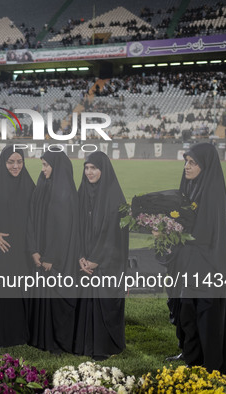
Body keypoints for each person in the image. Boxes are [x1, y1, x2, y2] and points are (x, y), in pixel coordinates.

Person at [163, 142, 226, 376]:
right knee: (187, 314)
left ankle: (211, 365)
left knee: (206, 318)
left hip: (206, 266)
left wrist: (169, 229)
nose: (187, 166)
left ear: (204, 165)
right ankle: (192, 357)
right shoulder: (191, 186)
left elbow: (203, 233)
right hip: (188, 262)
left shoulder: (212, 190)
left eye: (192, 162)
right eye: (186, 161)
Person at [73, 151, 128, 360]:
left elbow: (115, 235)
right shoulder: (83, 193)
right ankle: (85, 342)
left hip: (107, 263)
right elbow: (76, 228)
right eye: (86, 168)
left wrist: (96, 259)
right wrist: (81, 256)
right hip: (85, 260)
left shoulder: (114, 196)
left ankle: (105, 345)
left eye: (94, 168)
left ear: (103, 170)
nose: (89, 172)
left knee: (103, 301)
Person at [0, 145, 35, 347]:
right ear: (3, 163)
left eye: (19, 161)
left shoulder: (30, 186)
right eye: (11, 162)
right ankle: (0, 334)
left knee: (20, 290)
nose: (15, 166)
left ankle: (20, 334)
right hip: (0, 251)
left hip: (22, 252)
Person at [26, 150, 78, 354]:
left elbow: (63, 230)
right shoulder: (42, 188)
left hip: (57, 260)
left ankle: (58, 342)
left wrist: (50, 257)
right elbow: (30, 220)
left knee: (57, 300)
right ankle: (42, 338)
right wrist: (33, 250)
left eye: (46, 165)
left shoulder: (66, 193)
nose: (43, 169)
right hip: (39, 256)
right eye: (42, 165)